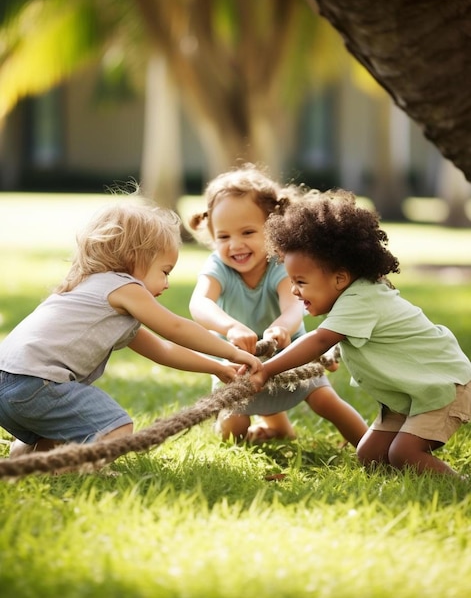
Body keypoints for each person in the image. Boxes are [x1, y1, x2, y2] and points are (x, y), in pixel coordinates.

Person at [0, 197, 263, 458]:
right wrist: (232, 352)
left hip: (8, 384)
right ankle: (70, 471)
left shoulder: (91, 291)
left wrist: (216, 366)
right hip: (36, 384)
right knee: (114, 428)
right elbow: (175, 328)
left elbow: (164, 349)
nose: (167, 283)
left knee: (64, 434)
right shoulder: (124, 287)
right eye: (165, 271)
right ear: (133, 258)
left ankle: (25, 458)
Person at [249, 187, 471, 476]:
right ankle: (405, 484)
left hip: (442, 387)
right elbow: (338, 339)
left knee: (403, 453)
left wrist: (267, 370)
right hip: (409, 393)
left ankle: (459, 485)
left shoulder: (362, 299)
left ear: (340, 278)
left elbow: (319, 339)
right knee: (371, 455)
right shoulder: (355, 297)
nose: (293, 290)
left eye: (301, 281)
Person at [188, 165, 368, 446]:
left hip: (289, 354)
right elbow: (200, 303)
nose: (235, 245)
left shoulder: (281, 264)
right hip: (239, 363)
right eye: (223, 236)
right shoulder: (217, 267)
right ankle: (278, 426)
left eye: (248, 232)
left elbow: (295, 305)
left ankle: (371, 446)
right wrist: (231, 327)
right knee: (232, 429)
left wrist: (281, 328)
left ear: (273, 229)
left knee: (325, 400)